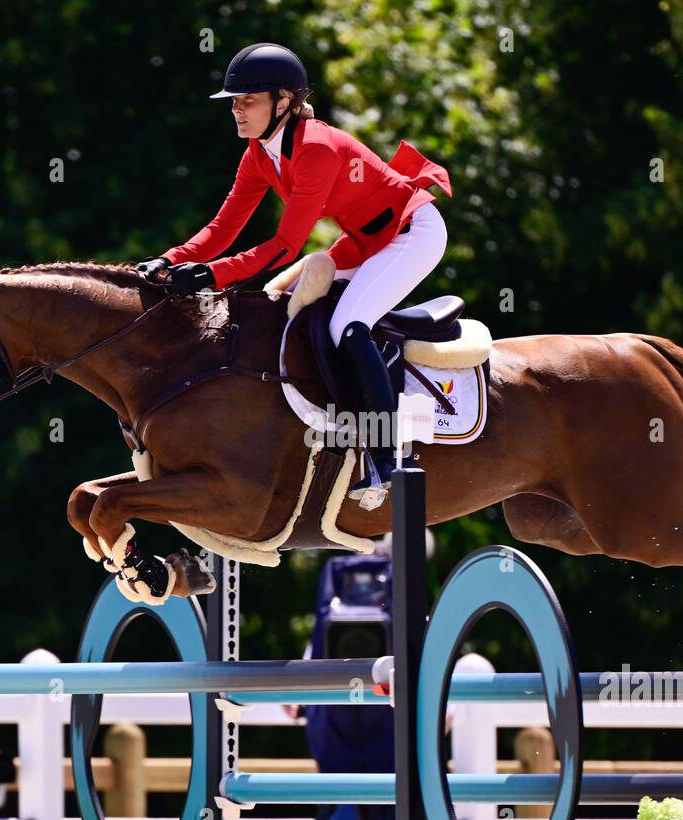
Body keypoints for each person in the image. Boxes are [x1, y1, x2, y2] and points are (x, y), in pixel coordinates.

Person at [138, 42, 453, 500]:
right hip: (367, 240)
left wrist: (211, 276)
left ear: (283, 102)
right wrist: (172, 259)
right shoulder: (259, 155)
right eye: (234, 103)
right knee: (301, 313)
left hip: (413, 232)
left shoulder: (317, 149)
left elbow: (286, 246)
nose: (237, 112)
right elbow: (224, 227)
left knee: (349, 322)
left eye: (248, 101)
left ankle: (389, 457)